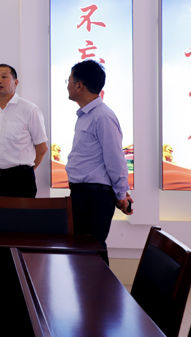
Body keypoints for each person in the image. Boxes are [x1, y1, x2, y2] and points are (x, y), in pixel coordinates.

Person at [65, 60, 133, 265]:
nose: (67, 85)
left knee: (92, 253)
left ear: (79, 85)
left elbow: (115, 160)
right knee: (82, 254)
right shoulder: (86, 115)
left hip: (94, 198)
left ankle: (103, 287)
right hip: (82, 195)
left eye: (69, 81)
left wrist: (121, 195)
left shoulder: (103, 116)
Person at [0, 64, 48, 231]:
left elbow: (42, 147)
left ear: (15, 83)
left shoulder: (29, 109)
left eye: (4, 77)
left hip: (19, 180)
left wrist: (25, 170)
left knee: (20, 229)